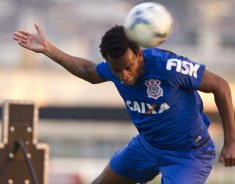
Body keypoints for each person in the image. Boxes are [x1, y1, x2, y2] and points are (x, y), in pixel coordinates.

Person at [13, 22, 235, 184]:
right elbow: (88, 71)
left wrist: (231, 142)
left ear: (139, 55)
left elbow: (220, 85)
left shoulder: (168, 66)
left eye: (129, 67)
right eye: (117, 70)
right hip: (147, 146)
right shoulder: (113, 70)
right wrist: (48, 49)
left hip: (188, 154)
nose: (124, 76)